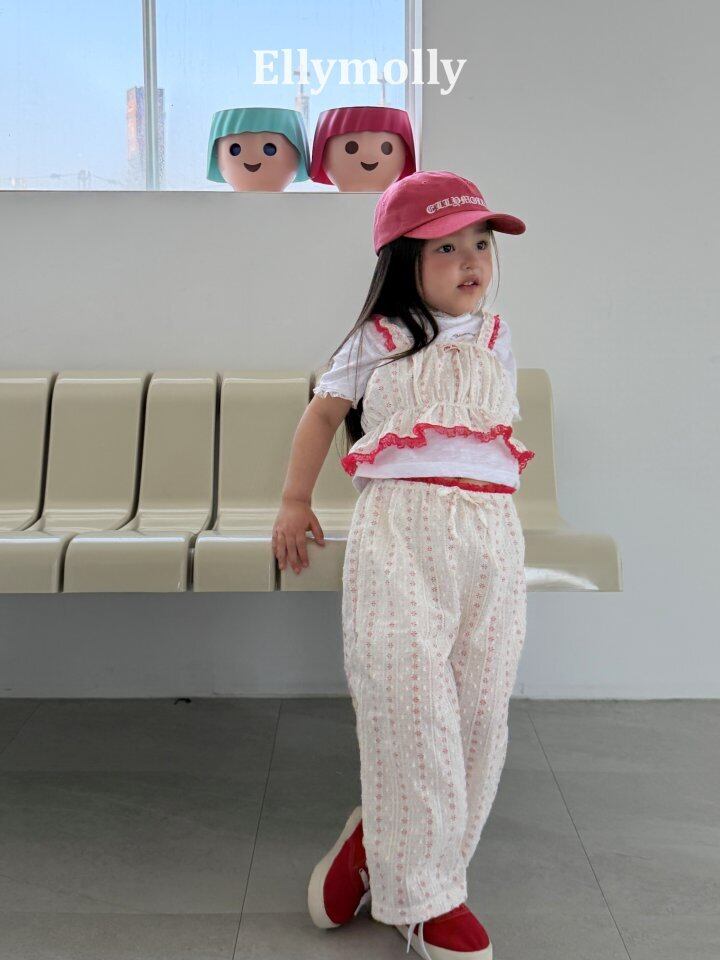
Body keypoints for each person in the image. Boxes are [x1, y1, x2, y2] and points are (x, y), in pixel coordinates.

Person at [273, 170, 535, 960]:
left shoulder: (497, 337)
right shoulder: (377, 340)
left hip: (491, 534)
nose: (471, 260)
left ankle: (383, 845)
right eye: (446, 248)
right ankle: (426, 901)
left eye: (480, 243)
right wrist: (294, 500)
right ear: (402, 262)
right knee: (408, 701)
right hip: (401, 531)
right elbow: (322, 415)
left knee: (479, 712)